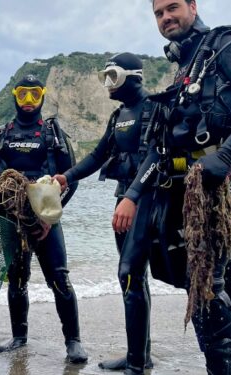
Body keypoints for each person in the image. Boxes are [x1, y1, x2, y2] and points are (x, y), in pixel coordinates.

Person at [125, 1, 231, 374]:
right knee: (222, 271)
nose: (166, 18)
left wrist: (225, 156)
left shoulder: (226, 45)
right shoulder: (186, 66)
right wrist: (133, 194)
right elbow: (165, 146)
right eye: (158, 13)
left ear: (193, 6)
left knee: (205, 269)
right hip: (202, 175)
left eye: (173, 7)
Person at [0, 74, 88, 364]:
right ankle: (19, 337)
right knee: (16, 279)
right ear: (15, 95)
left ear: (42, 96)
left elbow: (70, 179)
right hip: (9, 217)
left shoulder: (53, 133)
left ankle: (73, 342)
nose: (28, 101)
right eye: (23, 94)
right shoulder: (1, 134)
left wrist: (52, 214)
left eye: (34, 95)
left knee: (59, 278)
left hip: (45, 219)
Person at [53, 52, 155, 372]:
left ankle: (137, 363)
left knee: (130, 275)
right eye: (105, 78)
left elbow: (157, 156)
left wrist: (133, 197)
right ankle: (139, 355)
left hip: (145, 201)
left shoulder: (153, 109)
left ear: (132, 76)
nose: (107, 85)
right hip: (124, 199)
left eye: (113, 77)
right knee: (132, 277)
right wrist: (66, 177)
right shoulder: (119, 115)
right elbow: (98, 155)